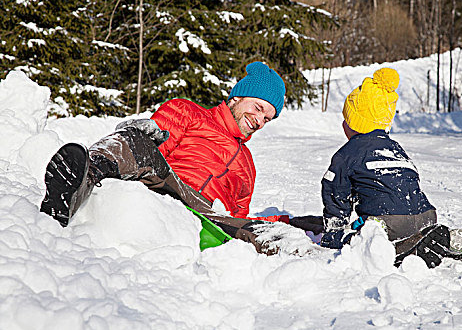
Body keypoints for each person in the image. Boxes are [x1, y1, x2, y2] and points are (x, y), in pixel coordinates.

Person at [40, 61, 293, 253]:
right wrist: (145, 137)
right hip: (170, 189)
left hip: (212, 216)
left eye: (267, 118)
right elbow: (152, 153)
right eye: (258, 108)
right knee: (136, 140)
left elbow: (240, 216)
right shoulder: (188, 112)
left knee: (273, 235)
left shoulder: (247, 165)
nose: (259, 121)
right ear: (237, 97)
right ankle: (73, 188)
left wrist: (289, 223)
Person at [318, 68, 462, 268]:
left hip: (387, 220)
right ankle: (438, 238)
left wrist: (334, 233)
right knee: (405, 224)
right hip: (425, 215)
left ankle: (383, 239)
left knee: (355, 243)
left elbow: (335, 192)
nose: (343, 123)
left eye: (346, 118)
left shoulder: (348, 153)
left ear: (355, 123)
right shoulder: (396, 148)